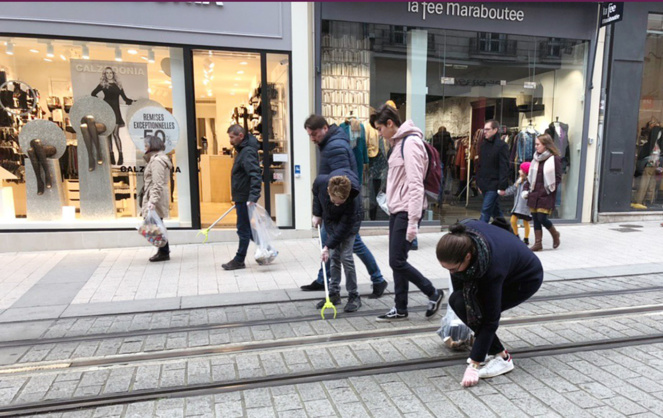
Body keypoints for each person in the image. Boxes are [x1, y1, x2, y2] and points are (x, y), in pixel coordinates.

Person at [436, 220, 543, 387]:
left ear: (468, 257)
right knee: (458, 301)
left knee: (484, 312)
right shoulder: (460, 238)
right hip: (502, 264)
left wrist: (474, 364)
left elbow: (491, 320)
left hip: (524, 278)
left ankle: (503, 358)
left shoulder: (492, 270)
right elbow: (461, 294)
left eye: (453, 269)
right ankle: (490, 349)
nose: (451, 274)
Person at [369, 104, 443, 322]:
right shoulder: (399, 143)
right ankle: (400, 308)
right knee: (398, 260)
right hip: (397, 209)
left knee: (397, 261)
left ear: (390, 124)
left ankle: (433, 293)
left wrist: (412, 222)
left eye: (380, 129)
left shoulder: (410, 144)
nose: (379, 134)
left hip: (406, 211)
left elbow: (415, 185)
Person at [302, 114, 389, 299]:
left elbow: (341, 183)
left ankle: (373, 280)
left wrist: (332, 207)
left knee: (340, 246)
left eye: (314, 134)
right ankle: (325, 279)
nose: (312, 138)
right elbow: (322, 183)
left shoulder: (335, 147)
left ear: (325, 128)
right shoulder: (330, 143)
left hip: (339, 209)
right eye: (309, 135)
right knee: (339, 245)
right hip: (334, 208)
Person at [312, 172, 363, 312]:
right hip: (331, 222)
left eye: (339, 202)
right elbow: (316, 194)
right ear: (328, 191)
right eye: (333, 200)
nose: (336, 203)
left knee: (345, 257)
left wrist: (327, 246)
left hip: (349, 225)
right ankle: (334, 293)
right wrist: (316, 213)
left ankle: (354, 295)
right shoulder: (321, 183)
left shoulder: (352, 200)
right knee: (334, 257)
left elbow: (343, 228)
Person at [221, 124, 261, 270]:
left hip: (245, 197)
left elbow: (255, 174)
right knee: (248, 228)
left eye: (232, 137)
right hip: (242, 196)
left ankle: (239, 259)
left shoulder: (247, 152)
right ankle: (266, 247)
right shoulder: (242, 151)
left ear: (240, 136)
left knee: (242, 228)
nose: (230, 140)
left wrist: (253, 197)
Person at [525, 133, 562, 251]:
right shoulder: (535, 158)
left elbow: (558, 177)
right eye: (535, 144)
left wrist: (550, 189)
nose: (536, 146)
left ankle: (555, 234)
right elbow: (529, 177)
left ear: (546, 145)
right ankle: (538, 243)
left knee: (542, 218)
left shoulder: (554, 158)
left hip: (546, 193)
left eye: (538, 144)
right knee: (535, 218)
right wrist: (526, 190)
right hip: (534, 192)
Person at [91, 67, 134, 166]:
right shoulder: (103, 85)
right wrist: (101, 102)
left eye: (110, 73)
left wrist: (134, 102)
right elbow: (93, 94)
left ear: (113, 74)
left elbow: (125, 98)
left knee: (115, 134)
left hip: (116, 111)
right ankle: (111, 156)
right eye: (107, 73)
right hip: (106, 111)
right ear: (105, 75)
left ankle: (121, 156)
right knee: (109, 134)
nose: (109, 74)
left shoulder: (118, 85)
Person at [141, 135, 173, 262]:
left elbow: (157, 182)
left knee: (156, 224)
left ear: (151, 145)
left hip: (155, 196)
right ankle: (163, 250)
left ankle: (163, 251)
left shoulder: (157, 161)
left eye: (146, 145)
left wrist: (152, 201)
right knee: (157, 223)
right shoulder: (157, 159)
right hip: (155, 194)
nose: (144, 147)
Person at [476, 120, 509, 223]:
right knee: (496, 213)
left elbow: (504, 167)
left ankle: (479, 234)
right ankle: (507, 233)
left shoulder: (502, 146)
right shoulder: (483, 145)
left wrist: (502, 186)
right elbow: (480, 165)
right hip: (484, 183)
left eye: (487, 129)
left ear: (495, 130)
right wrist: (479, 183)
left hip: (494, 184)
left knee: (485, 211)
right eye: (484, 129)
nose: (485, 132)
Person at [499, 162, 532, 245]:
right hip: (517, 206)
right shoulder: (519, 181)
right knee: (513, 220)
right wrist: (504, 193)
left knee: (526, 222)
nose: (519, 171)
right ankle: (516, 236)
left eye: (521, 170)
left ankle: (526, 238)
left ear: (525, 172)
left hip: (525, 206)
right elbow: (513, 189)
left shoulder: (529, 182)